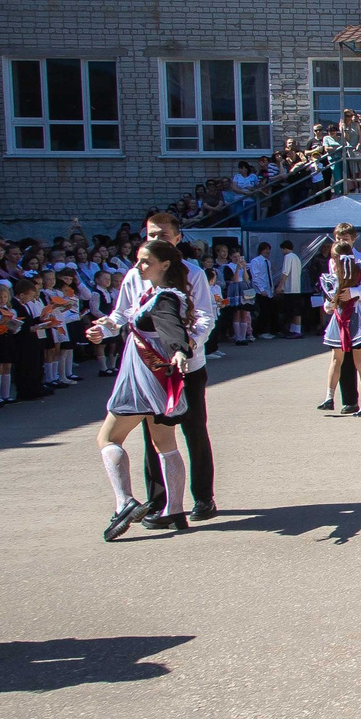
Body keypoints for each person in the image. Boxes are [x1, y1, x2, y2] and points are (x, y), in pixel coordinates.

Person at [105, 211, 220, 523]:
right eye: (151, 234)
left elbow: (203, 317)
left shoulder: (191, 274)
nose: (156, 240)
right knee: (154, 436)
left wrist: (189, 344)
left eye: (163, 235)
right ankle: (159, 501)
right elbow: (123, 313)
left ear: (177, 238)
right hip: (149, 369)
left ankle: (202, 498)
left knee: (193, 429)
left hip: (186, 367)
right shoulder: (136, 274)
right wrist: (105, 326)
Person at [94, 240, 199, 540]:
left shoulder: (164, 298)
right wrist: (105, 326)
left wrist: (179, 350)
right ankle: (175, 509)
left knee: (107, 437)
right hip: (158, 380)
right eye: (138, 260)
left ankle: (124, 502)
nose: (138, 266)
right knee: (164, 443)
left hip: (142, 380)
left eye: (145, 261)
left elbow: (171, 327)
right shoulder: (153, 295)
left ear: (164, 265)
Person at [318, 241, 361, 417]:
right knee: (355, 361)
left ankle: (334, 398)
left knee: (340, 360)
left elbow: (333, 299)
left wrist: (331, 303)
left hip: (349, 315)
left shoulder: (338, 276)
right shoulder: (359, 269)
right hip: (353, 314)